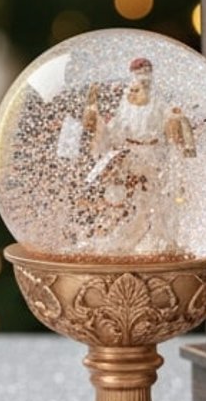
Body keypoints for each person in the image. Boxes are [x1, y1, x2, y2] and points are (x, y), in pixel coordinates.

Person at [79, 57, 197, 255]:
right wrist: (98, 122)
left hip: (152, 155)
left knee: (154, 198)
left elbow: (170, 125)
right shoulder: (126, 103)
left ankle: (156, 238)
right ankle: (127, 235)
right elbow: (115, 129)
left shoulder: (159, 103)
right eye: (137, 76)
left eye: (144, 76)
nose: (140, 81)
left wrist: (177, 121)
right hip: (130, 156)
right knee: (129, 197)